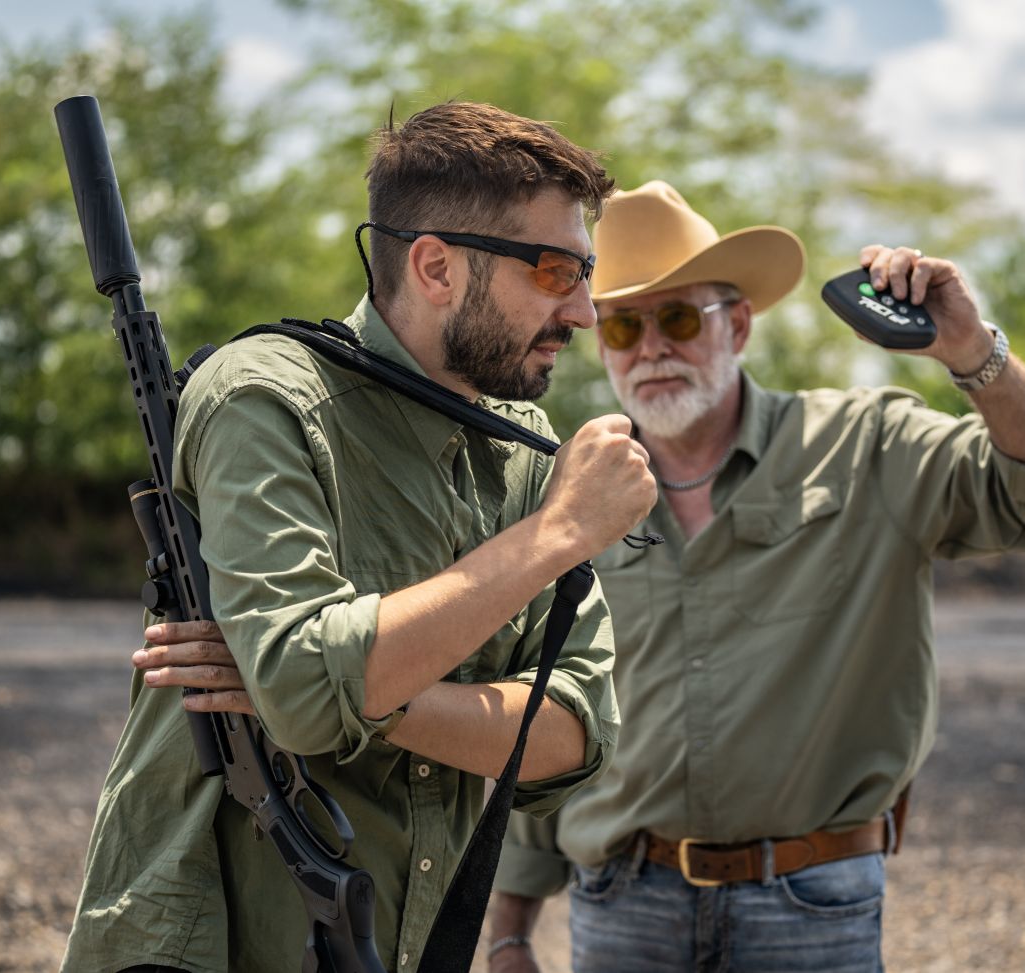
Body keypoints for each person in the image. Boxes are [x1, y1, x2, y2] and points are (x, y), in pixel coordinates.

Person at [142, 180, 1025, 972]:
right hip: (620, 901)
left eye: (679, 316)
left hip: (811, 900)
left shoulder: (866, 443)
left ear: (739, 325)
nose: (652, 348)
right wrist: (510, 928)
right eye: (622, 325)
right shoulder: (568, 484)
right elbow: (527, 706)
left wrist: (971, 352)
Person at [60, 102, 656, 973]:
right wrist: (557, 535)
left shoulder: (524, 452)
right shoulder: (263, 397)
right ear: (436, 266)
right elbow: (305, 688)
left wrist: (367, 692)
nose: (586, 312)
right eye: (556, 271)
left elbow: (574, 733)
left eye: (585, 272)